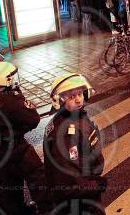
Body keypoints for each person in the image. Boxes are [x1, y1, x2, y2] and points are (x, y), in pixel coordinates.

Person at [0, 61, 49, 214]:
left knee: (10, 183)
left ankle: (17, 210)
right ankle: (47, 208)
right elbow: (33, 119)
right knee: (37, 176)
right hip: (15, 147)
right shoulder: (11, 100)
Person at [44, 73, 106, 214]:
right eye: (72, 97)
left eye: (80, 94)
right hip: (81, 201)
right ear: (59, 100)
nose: (79, 100)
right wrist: (97, 185)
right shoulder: (66, 134)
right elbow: (70, 182)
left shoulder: (72, 117)